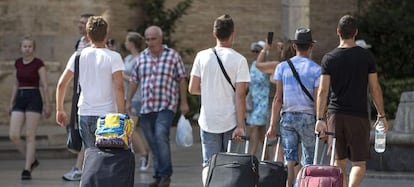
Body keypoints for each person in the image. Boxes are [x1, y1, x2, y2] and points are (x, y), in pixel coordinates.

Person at [315, 15, 388, 187]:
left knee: (338, 161)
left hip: (335, 115)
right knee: (359, 163)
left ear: (337, 32)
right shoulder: (366, 57)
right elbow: (374, 88)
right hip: (359, 116)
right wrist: (381, 115)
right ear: (356, 32)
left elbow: (322, 91)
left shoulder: (329, 58)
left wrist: (319, 118)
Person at [55, 14, 125, 173]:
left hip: (85, 114)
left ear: (88, 36)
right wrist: (122, 114)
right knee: (108, 159)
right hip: (108, 115)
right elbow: (119, 87)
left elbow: (61, 84)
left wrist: (60, 109)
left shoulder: (78, 56)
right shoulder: (113, 57)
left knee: (91, 157)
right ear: (106, 35)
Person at [126, 25, 189, 187]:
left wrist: (184, 102)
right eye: (147, 39)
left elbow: (182, 79)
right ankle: (158, 174)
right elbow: (134, 80)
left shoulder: (172, 56)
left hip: (166, 105)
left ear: (161, 38)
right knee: (152, 141)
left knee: (161, 136)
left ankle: (166, 175)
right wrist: (128, 100)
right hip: (146, 107)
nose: (150, 42)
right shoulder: (141, 58)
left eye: (153, 39)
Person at [188, 14, 249, 176]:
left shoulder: (201, 56)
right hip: (231, 121)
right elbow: (240, 96)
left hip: (208, 120)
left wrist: (209, 89)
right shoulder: (239, 60)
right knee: (231, 166)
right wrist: (241, 125)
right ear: (233, 34)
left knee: (209, 165)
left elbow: (193, 88)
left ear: (214, 34)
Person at [266, 28, 321, 187]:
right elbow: (318, 99)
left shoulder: (282, 67)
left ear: (295, 46)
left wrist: (272, 125)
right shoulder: (316, 69)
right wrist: (320, 120)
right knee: (309, 160)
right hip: (308, 118)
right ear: (311, 47)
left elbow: (278, 98)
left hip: (287, 117)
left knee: (289, 160)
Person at [8, 36, 51, 180]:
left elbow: (44, 85)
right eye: (24, 46)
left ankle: (27, 168)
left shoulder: (39, 63)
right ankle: (31, 159)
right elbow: (15, 83)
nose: (27, 49)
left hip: (34, 96)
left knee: (30, 135)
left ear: (34, 48)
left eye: (30, 46)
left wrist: (48, 104)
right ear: (21, 48)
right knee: (14, 135)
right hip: (20, 96)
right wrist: (11, 102)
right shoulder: (18, 63)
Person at [62, 13, 94, 181]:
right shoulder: (79, 43)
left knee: (85, 130)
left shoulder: (96, 45)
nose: (80, 25)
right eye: (79, 22)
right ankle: (81, 166)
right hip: (78, 92)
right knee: (77, 129)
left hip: (91, 93)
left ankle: (78, 167)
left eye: (83, 23)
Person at [123, 31, 150, 171]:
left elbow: (138, 79)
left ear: (132, 43)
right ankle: (138, 152)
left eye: (127, 41)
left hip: (137, 97)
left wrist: (124, 76)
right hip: (127, 97)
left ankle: (144, 154)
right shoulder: (127, 58)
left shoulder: (140, 58)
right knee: (127, 129)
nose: (125, 43)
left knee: (129, 129)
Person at [246, 40, 269, 156]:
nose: (255, 53)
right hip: (253, 102)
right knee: (261, 131)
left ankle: (252, 155)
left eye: (257, 51)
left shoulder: (266, 66)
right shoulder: (252, 66)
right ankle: (266, 155)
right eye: (253, 51)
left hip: (262, 102)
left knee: (253, 127)